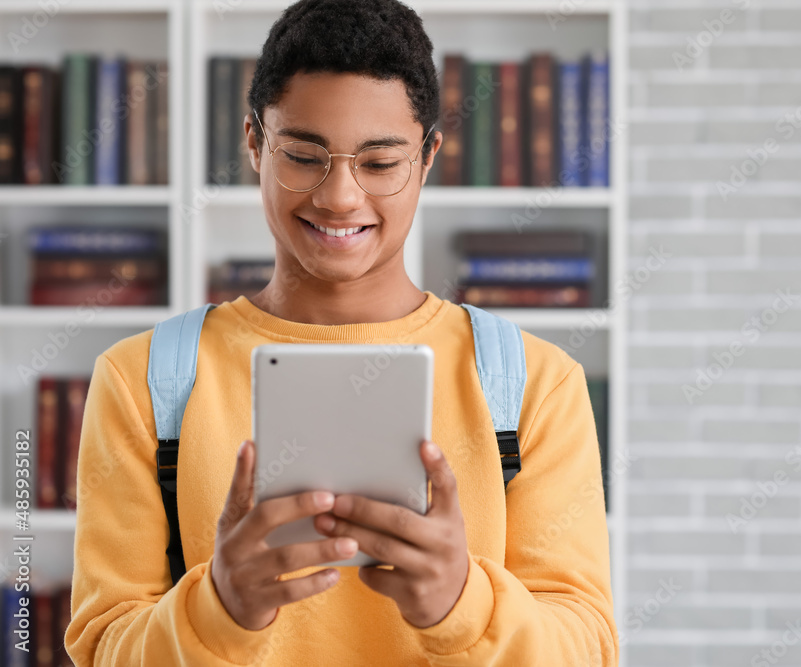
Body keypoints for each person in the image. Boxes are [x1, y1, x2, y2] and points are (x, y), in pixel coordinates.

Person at [65, 0, 618, 664]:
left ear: (429, 156)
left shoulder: (535, 383)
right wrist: (218, 607)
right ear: (253, 143)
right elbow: (102, 647)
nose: (340, 197)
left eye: (380, 164)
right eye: (303, 155)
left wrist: (461, 602)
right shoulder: (141, 380)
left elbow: (588, 647)